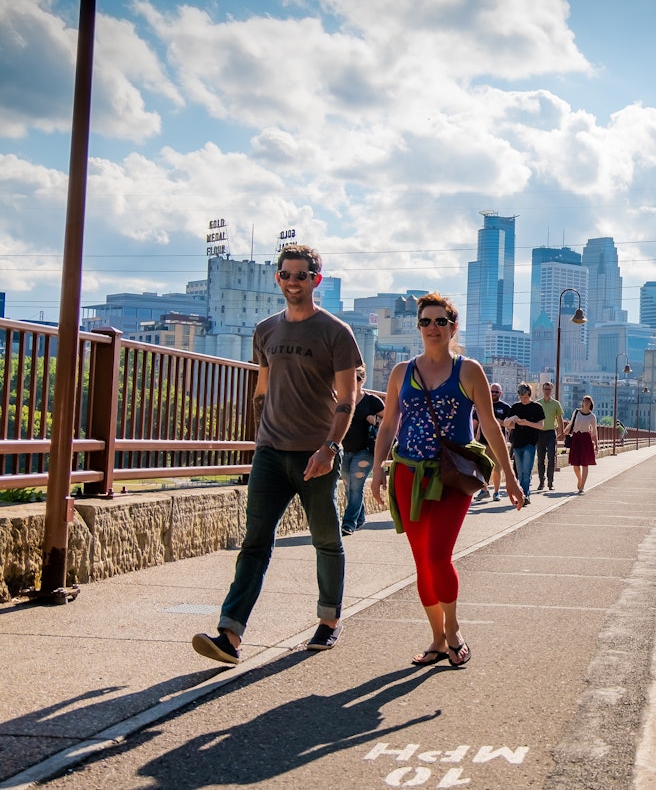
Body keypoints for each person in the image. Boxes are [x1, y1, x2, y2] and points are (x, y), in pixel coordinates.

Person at [192, 244, 362, 666]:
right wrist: (258, 439)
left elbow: (349, 396)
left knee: (326, 540)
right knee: (254, 543)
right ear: (278, 278)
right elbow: (261, 390)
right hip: (270, 452)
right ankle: (230, 634)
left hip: (315, 453)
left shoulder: (335, 331)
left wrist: (330, 447)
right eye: (285, 274)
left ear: (315, 280)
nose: (292, 282)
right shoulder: (266, 330)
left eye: (301, 275)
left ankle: (328, 620)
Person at [369, 293, 521, 669]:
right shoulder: (401, 372)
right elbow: (389, 423)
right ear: (418, 327)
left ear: (453, 327)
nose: (432, 328)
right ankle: (437, 639)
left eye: (440, 322)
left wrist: (512, 478)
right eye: (425, 322)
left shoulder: (467, 370)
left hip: (452, 476)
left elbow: (489, 424)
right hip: (408, 473)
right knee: (422, 562)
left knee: (439, 555)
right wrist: (377, 469)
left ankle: (453, 631)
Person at [340, 367, 385, 535]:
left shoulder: (372, 400)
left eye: (358, 378)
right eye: (350, 377)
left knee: (355, 486)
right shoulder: (342, 399)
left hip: (366, 450)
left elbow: (389, 422)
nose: (354, 381)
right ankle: (360, 519)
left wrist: (375, 421)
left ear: (363, 380)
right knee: (348, 486)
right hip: (345, 449)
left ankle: (348, 524)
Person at [502, 382, 545, 505]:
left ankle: (524, 495)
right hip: (517, 443)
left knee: (526, 471)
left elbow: (541, 426)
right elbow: (505, 423)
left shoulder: (537, 407)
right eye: (521, 397)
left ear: (530, 395)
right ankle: (523, 495)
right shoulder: (515, 407)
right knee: (520, 472)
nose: (523, 400)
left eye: (525, 397)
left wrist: (526, 423)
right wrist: (513, 418)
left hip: (530, 443)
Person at [563, 395, 598, 494]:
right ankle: (579, 479)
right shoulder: (577, 412)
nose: (586, 403)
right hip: (576, 438)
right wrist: (566, 430)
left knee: (585, 464)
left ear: (591, 404)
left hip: (586, 439)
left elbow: (594, 432)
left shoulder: (592, 417)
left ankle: (582, 486)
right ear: (582, 402)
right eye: (584, 401)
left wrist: (596, 445)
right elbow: (571, 423)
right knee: (575, 464)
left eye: (588, 401)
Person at [482, 384, 510, 502]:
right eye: (492, 391)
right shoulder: (483, 405)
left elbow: (511, 425)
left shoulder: (505, 407)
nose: (493, 394)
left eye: (496, 392)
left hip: (498, 442)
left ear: (500, 393)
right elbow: (475, 423)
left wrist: (501, 422)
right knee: (483, 468)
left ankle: (496, 492)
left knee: (497, 469)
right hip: (484, 441)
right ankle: (484, 490)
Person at [535, 381, 564, 491]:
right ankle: (541, 481)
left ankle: (550, 482)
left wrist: (561, 433)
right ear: (543, 390)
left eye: (549, 389)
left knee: (552, 458)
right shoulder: (538, 403)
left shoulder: (556, 404)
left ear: (552, 390)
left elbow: (559, 419)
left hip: (551, 433)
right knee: (540, 459)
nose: (547, 391)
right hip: (540, 433)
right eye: (545, 389)